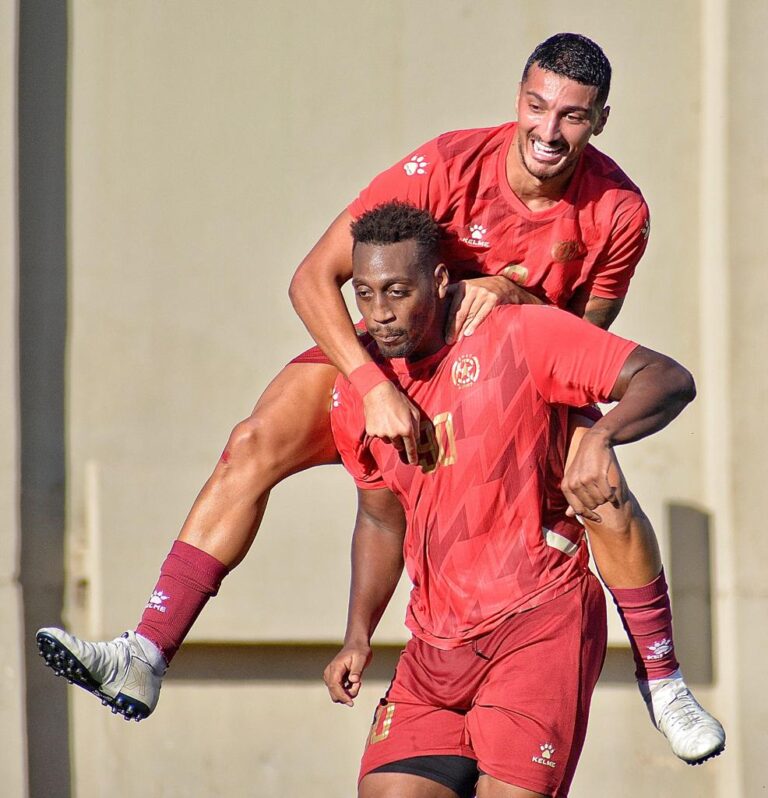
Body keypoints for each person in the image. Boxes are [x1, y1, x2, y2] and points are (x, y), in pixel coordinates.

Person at [36, 33, 723, 761]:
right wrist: (370, 386)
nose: (548, 131)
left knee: (600, 482)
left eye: (572, 116)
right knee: (252, 442)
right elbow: (313, 277)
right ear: (518, 99)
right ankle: (146, 651)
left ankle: (664, 681)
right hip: (397, 357)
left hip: (507, 375)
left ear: (600, 121)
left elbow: (586, 340)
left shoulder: (618, 210)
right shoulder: (449, 165)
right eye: (536, 106)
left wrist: (513, 297)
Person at [322, 202, 706, 798]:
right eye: (365, 295)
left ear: (440, 280)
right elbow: (379, 519)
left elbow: (668, 378)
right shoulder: (361, 392)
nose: (380, 313)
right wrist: (357, 634)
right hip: (435, 647)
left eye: (397, 291)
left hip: (537, 622)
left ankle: (663, 679)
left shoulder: (522, 334)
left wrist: (601, 436)